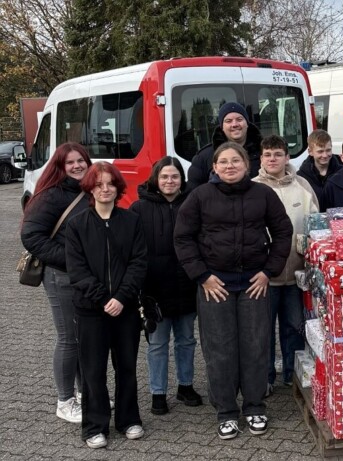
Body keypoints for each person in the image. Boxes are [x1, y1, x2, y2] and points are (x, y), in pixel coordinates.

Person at [175, 141, 293, 439]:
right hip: (215, 286)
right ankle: (226, 411)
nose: (230, 166)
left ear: (247, 165)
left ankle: (254, 406)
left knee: (256, 346)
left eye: (235, 161)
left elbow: (283, 231)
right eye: (223, 162)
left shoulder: (263, 194)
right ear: (214, 167)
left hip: (254, 284)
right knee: (219, 349)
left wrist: (268, 271)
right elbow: (183, 238)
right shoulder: (200, 196)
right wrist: (202, 276)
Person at [65, 162, 147, 449]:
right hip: (91, 310)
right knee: (93, 370)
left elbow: (139, 263)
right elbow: (77, 271)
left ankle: (128, 419)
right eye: (99, 184)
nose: (105, 189)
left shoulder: (132, 221)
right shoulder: (76, 225)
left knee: (127, 366)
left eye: (110, 183)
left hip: (126, 309)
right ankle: (94, 426)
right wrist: (103, 299)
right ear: (90, 188)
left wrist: (121, 297)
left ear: (118, 188)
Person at [20, 143, 91, 423]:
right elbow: (31, 236)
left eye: (80, 160)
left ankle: (86, 394)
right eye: (69, 162)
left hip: (83, 276)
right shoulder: (50, 196)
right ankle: (65, 401)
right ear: (59, 167)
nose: (77, 166)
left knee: (83, 337)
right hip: (60, 275)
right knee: (68, 338)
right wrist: (70, 259)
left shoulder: (88, 190)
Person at [128, 157, 202, 416]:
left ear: (182, 179)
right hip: (155, 289)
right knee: (157, 344)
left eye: (175, 176)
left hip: (187, 285)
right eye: (164, 177)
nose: (170, 181)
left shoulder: (193, 204)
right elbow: (132, 249)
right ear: (155, 179)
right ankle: (158, 392)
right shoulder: (139, 208)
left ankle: (186, 386)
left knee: (186, 340)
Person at [254, 135, 319, 394]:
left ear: (287, 157)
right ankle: (265, 377)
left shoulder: (303, 185)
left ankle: (293, 375)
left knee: (294, 327)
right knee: (263, 331)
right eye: (267, 154)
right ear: (261, 159)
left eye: (278, 154)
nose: (272, 159)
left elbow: (316, 224)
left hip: (296, 273)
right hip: (263, 278)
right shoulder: (252, 187)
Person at [187, 102, 263, 190]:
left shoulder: (265, 152)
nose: (234, 124)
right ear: (222, 127)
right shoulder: (203, 158)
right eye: (228, 121)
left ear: (247, 123)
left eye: (239, 119)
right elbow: (194, 193)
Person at [298, 129, 343, 199]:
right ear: (310, 152)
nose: (325, 155)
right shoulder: (301, 177)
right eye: (320, 151)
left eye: (328, 150)